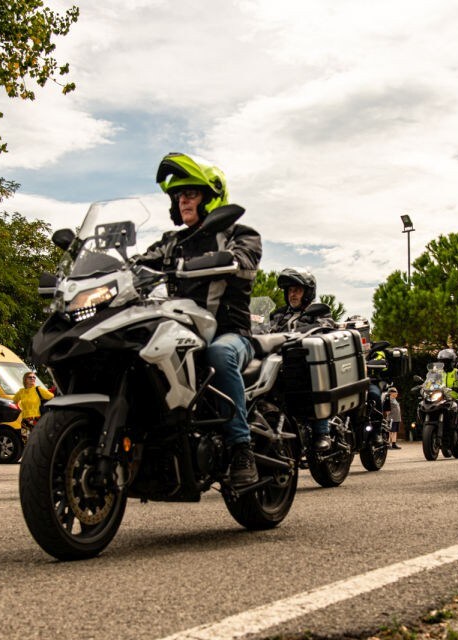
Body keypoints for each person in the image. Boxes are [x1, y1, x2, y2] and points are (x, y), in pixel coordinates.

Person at [138, 153, 262, 486]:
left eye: (190, 193)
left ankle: (241, 448)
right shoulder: (171, 244)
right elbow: (137, 265)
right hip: (180, 330)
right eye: (178, 195)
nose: (182, 200)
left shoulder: (241, 233)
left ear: (211, 196)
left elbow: (245, 261)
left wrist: (225, 260)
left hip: (230, 333)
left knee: (219, 354)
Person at [269, 268, 334, 450]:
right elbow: (265, 331)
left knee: (312, 384)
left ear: (308, 292)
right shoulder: (279, 315)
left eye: (297, 290)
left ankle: (323, 432)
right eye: (290, 290)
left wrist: (302, 332)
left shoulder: (319, 312)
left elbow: (326, 327)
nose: (292, 294)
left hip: (306, 365)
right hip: (280, 364)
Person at [12, 370, 53, 440]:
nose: (32, 379)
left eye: (34, 377)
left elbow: (52, 396)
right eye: (30, 377)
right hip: (25, 420)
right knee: (26, 441)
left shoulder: (38, 389)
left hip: (37, 419)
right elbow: (14, 402)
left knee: (38, 440)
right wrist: (19, 409)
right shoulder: (21, 392)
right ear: (25, 379)